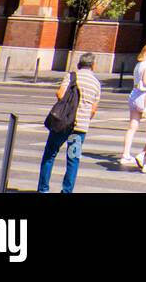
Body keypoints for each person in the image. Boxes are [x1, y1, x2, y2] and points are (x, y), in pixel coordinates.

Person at [38, 52, 101, 193]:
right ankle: (66, 191)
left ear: (80, 63)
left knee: (50, 154)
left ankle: (43, 189)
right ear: (93, 65)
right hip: (80, 128)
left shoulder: (72, 76)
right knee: (73, 160)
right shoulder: (96, 83)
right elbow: (93, 110)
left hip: (63, 124)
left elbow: (60, 94)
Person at [119, 43, 146, 164]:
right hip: (143, 96)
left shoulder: (138, 65)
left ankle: (125, 154)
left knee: (132, 127)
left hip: (134, 94)